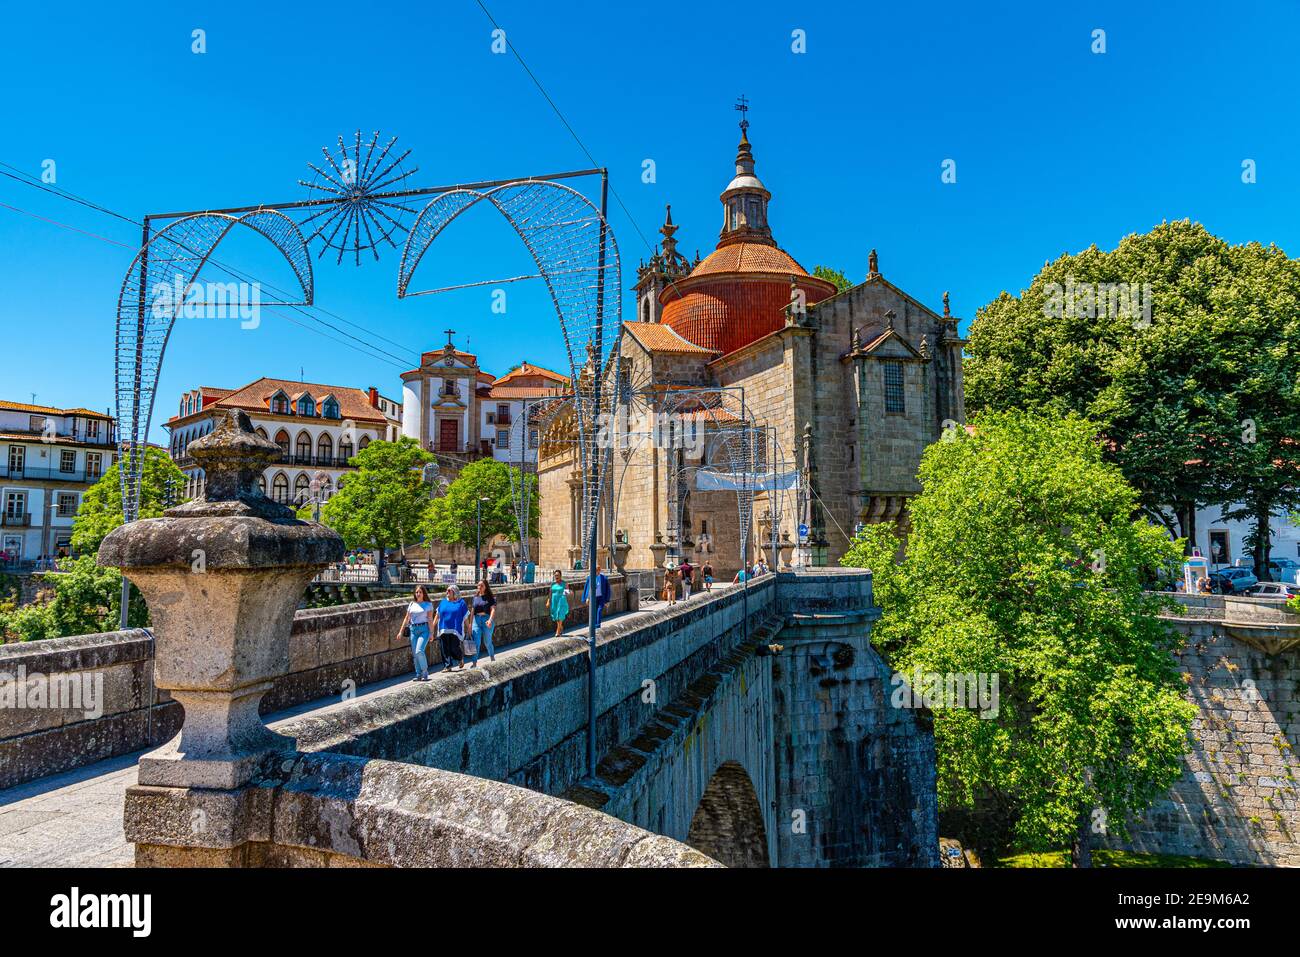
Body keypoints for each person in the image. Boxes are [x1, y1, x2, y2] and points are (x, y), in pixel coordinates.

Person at [397, 585, 434, 682]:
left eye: (420, 592)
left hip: (424, 629)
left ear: (423, 593)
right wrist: (401, 632)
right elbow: (406, 618)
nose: (418, 594)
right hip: (413, 629)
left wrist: (431, 633)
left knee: (419, 651)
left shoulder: (428, 604)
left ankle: (424, 672)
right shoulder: (412, 604)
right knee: (415, 654)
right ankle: (418, 674)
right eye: (417, 592)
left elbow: (430, 619)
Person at [436, 584, 469, 671]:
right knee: (444, 648)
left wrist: (468, 628)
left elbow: (465, 617)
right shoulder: (443, 602)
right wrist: (432, 627)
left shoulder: (461, 603)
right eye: (447, 590)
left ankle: (459, 658)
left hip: (455, 629)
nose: (447, 592)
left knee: (454, 647)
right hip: (443, 628)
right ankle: (448, 666)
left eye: (449, 590)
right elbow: (437, 615)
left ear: (455, 592)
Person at [471, 579, 497, 666]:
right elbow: (472, 611)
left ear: (486, 587)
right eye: (478, 585)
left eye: (481, 585)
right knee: (476, 642)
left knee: (487, 642)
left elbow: (493, 609)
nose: (479, 587)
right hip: (476, 620)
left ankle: (492, 658)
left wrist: (490, 620)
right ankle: (474, 663)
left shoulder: (490, 597)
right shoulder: (475, 598)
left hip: (486, 619)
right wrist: (470, 624)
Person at [550, 570, 570, 636]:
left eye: (558, 575)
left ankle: (557, 631)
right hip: (554, 601)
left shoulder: (564, 583)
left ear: (561, 576)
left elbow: (567, 592)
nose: (556, 576)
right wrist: (548, 601)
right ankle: (560, 627)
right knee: (556, 616)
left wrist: (563, 593)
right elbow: (550, 593)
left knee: (560, 615)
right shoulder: (553, 584)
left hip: (562, 601)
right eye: (555, 575)